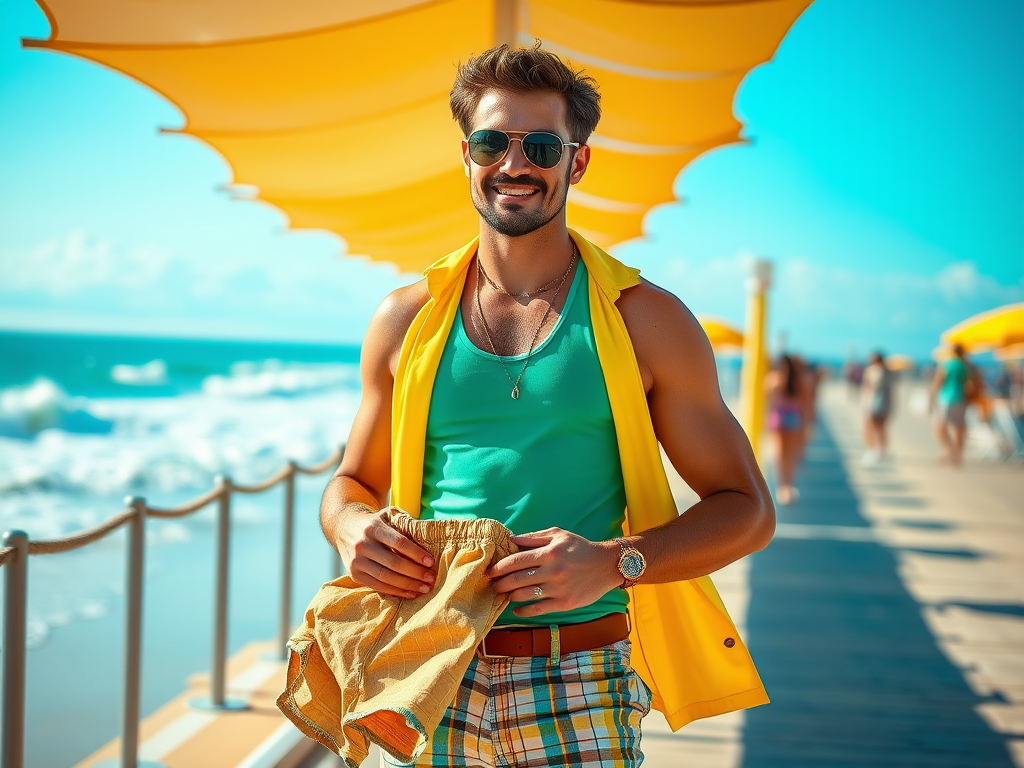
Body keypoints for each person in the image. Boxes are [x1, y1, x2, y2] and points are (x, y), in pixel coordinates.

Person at [317, 44, 775, 767]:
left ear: (578, 162)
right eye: (492, 142)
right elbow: (351, 484)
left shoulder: (645, 320)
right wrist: (349, 529)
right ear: (466, 155)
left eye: (541, 145)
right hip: (429, 671)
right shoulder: (403, 319)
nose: (514, 163)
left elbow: (747, 508)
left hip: (581, 678)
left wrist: (614, 562)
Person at [929, 344, 980, 467]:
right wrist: (970, 397)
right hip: (961, 398)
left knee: (940, 425)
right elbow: (975, 383)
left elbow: (937, 382)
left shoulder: (947, 364)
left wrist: (931, 399)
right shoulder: (968, 366)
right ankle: (957, 455)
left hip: (946, 398)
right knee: (959, 427)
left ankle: (948, 449)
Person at [766, 354, 804, 505]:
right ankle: (784, 486)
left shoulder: (779, 379)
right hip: (788, 417)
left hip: (784, 417)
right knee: (785, 454)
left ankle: (784, 486)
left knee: (784, 454)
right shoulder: (791, 380)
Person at [860, 351, 894, 464]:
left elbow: (867, 388)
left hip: (876, 401)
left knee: (874, 427)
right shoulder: (886, 371)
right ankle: (879, 449)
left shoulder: (876, 371)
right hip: (880, 401)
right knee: (877, 427)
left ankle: (875, 450)